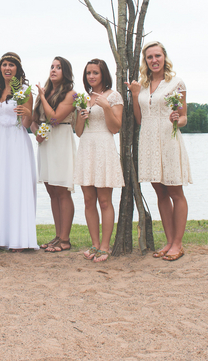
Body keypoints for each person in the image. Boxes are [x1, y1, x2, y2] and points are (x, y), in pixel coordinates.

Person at [126, 41, 191, 262]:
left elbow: (184, 117)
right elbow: (139, 119)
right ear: (145, 61)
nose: (154, 60)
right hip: (149, 142)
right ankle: (169, 241)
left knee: (175, 192)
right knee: (160, 193)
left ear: (164, 57)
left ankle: (178, 244)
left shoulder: (177, 83)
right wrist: (136, 94)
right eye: (150, 57)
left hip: (168, 139)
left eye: (157, 56)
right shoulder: (143, 86)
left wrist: (177, 119)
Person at [0, 52, 38, 251]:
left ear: (17, 69)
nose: (7, 68)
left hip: (17, 141)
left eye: (11, 65)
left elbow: (27, 123)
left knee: (16, 184)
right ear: (0, 68)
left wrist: (28, 113)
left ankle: (18, 239)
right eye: (4, 64)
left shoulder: (25, 90)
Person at [74, 59, 124, 263]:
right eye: (88, 73)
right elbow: (78, 132)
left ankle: (105, 246)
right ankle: (94, 243)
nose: (91, 76)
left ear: (103, 74)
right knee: (88, 200)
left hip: (104, 146)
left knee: (104, 201)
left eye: (95, 72)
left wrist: (106, 108)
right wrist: (81, 117)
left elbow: (115, 128)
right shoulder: (84, 98)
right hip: (86, 147)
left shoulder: (113, 96)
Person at [31, 56, 77, 253]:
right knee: (52, 191)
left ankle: (65, 239)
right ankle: (58, 236)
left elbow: (55, 118)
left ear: (65, 72)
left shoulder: (71, 94)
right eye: (52, 66)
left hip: (61, 142)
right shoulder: (45, 91)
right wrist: (37, 134)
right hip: (46, 143)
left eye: (58, 67)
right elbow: (34, 120)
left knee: (62, 191)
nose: (53, 70)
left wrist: (42, 97)